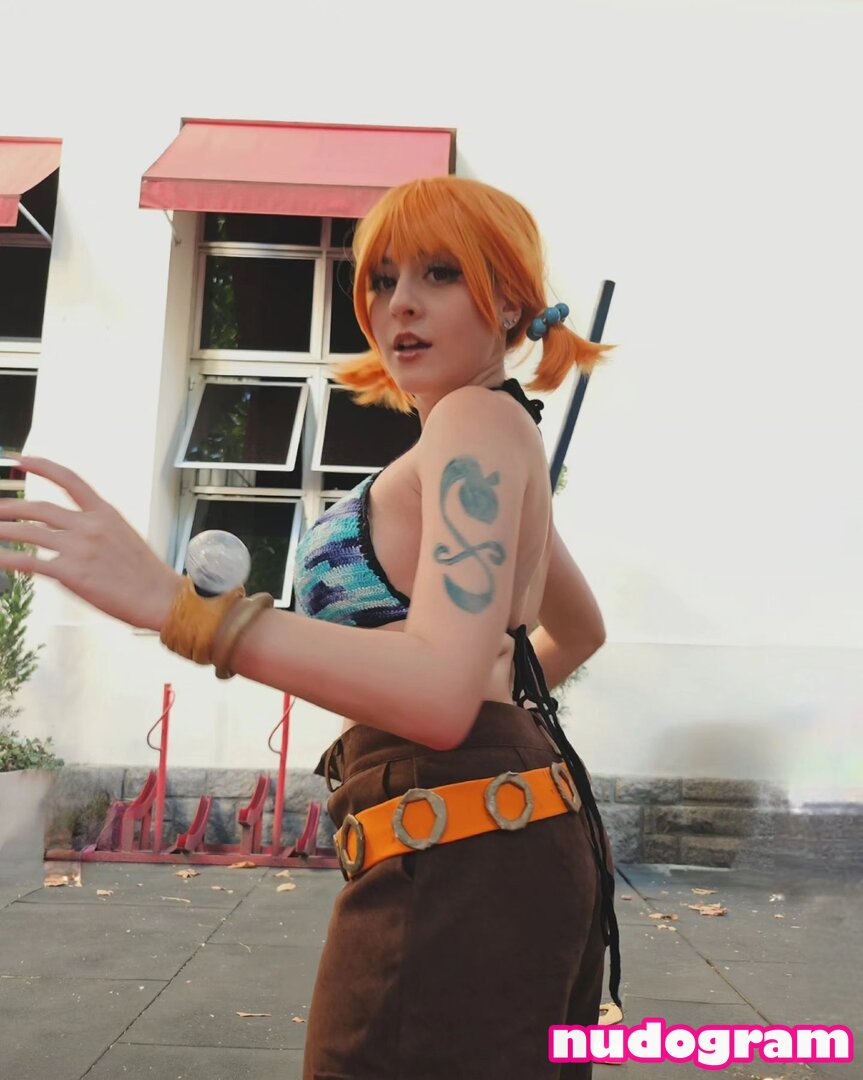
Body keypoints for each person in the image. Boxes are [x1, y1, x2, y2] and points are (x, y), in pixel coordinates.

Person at [0, 174, 620, 1079]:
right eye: (382, 279)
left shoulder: (472, 423)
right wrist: (490, 723)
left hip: (456, 853)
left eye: (440, 273)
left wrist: (186, 612)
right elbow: (576, 630)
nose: (399, 303)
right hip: (487, 839)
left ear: (508, 301)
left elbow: (440, 699)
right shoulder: (488, 432)